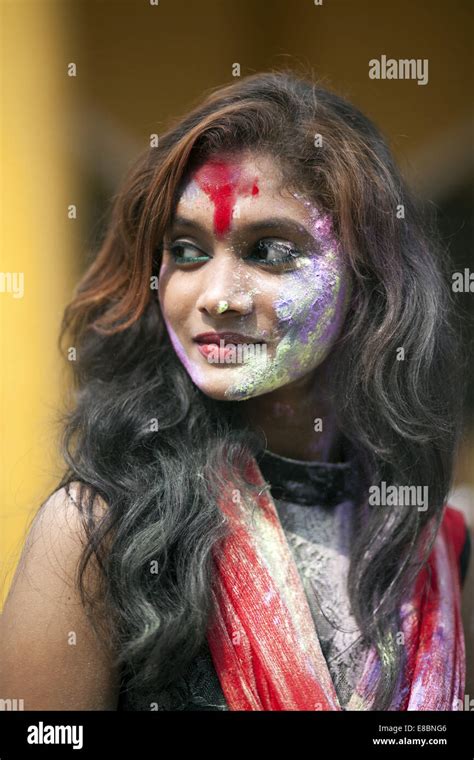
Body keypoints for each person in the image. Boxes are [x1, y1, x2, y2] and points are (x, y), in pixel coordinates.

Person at [0, 70, 470, 711]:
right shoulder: (100, 531)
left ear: (371, 281)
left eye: (269, 250)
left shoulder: (438, 550)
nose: (217, 296)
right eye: (187, 251)